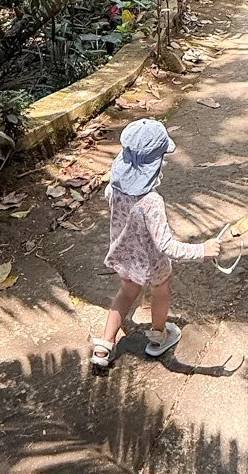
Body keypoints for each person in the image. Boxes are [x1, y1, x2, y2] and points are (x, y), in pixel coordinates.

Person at [91, 118, 221, 368]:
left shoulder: (114, 189)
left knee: (126, 292)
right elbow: (166, 246)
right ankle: (158, 336)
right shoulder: (151, 202)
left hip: (124, 255)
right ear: (155, 163)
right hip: (153, 263)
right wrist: (202, 250)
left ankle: (104, 346)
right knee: (161, 291)